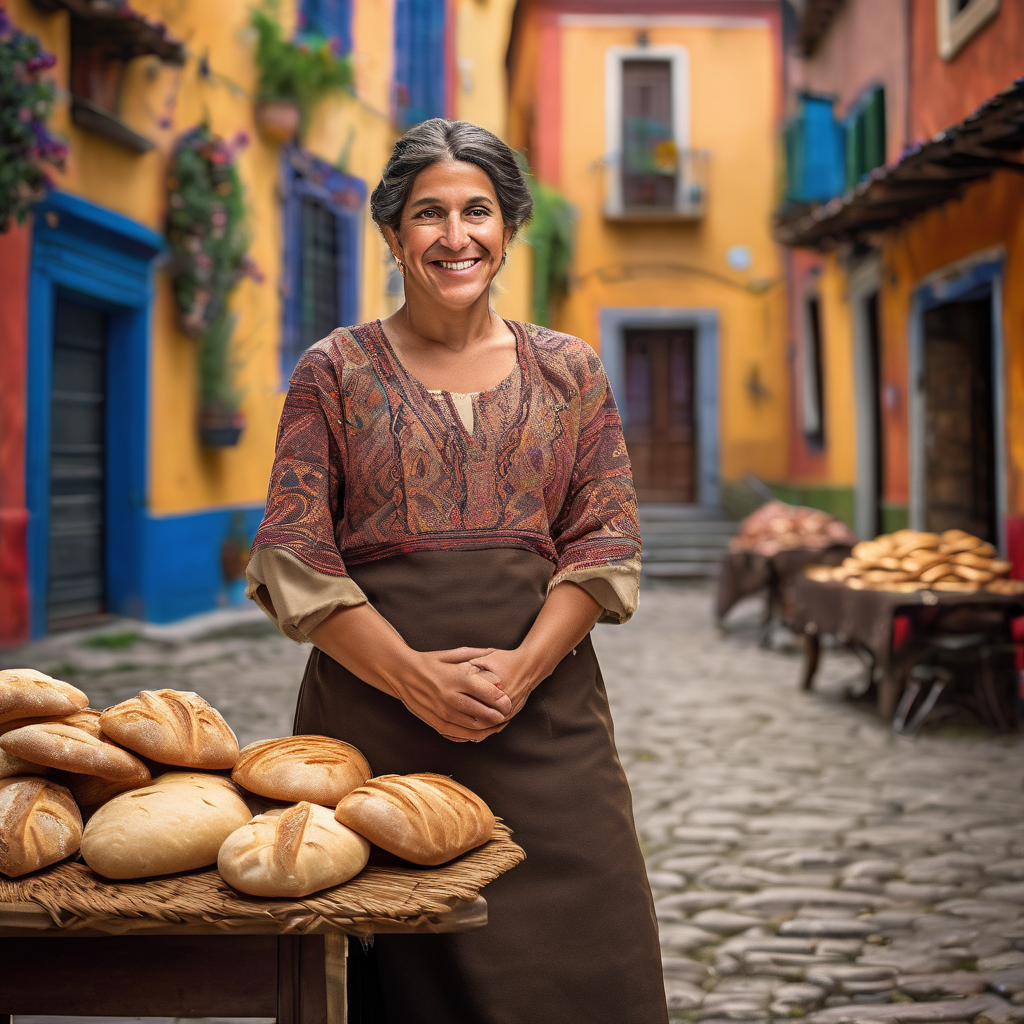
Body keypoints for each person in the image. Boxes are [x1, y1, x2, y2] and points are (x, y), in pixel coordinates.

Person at [246, 118, 668, 1024]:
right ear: (393, 235)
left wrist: (519, 673)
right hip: (373, 735)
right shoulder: (333, 372)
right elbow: (295, 553)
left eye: (477, 211)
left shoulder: (570, 371)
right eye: (428, 213)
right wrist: (413, 679)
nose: (455, 235)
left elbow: (603, 540)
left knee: (588, 958)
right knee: (392, 984)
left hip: (546, 726)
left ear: (507, 229)